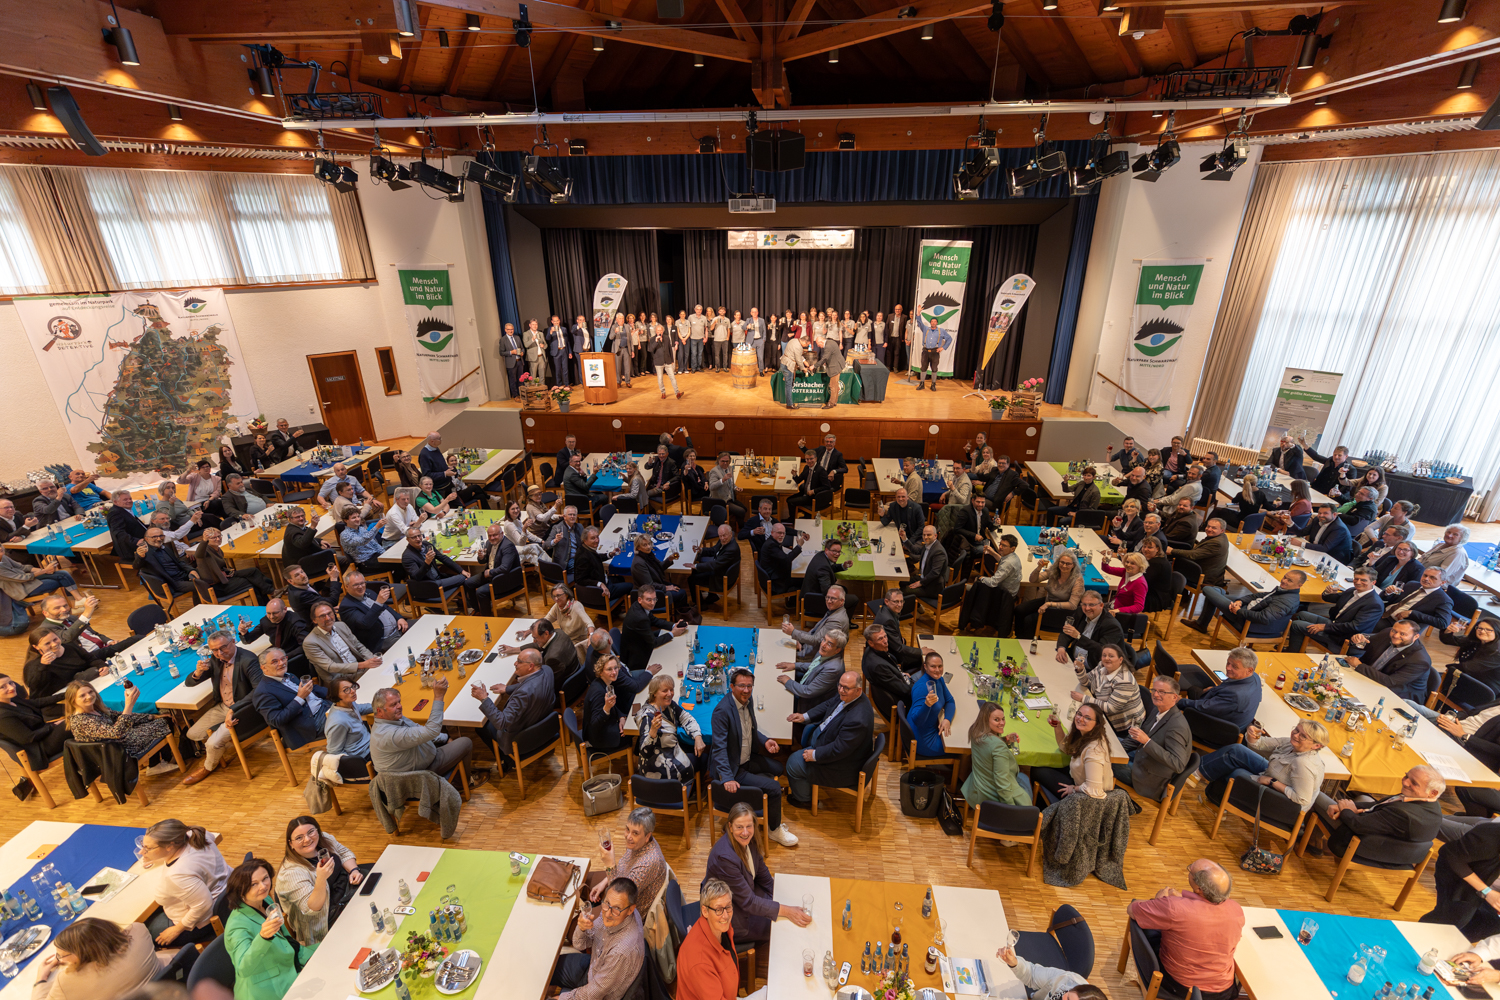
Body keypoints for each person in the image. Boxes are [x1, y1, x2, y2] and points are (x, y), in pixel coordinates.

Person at [1127, 860, 1245, 1000]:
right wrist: (1182, 900)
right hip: (1224, 992)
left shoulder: (1174, 908)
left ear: (1199, 889)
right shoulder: (1237, 910)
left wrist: (1157, 901)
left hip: (1180, 987)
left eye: (1190, 871)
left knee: (1151, 927)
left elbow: (1133, 909)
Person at [710, 668, 798, 846]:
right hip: (734, 767)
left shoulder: (746, 701)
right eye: (741, 686)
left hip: (747, 757)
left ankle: (753, 802)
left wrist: (765, 741)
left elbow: (748, 729)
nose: (746, 690)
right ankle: (773, 829)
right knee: (774, 787)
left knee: (778, 768)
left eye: (749, 686)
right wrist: (727, 777)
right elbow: (718, 748)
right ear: (732, 687)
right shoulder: (722, 711)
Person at [704, 803, 811, 944]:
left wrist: (781, 898)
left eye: (749, 826)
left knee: (782, 912)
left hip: (743, 894)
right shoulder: (725, 858)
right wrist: (788, 911)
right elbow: (748, 902)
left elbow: (763, 875)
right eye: (739, 827)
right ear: (730, 827)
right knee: (782, 928)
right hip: (729, 914)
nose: (745, 832)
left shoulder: (750, 840)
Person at [223, 857, 317, 1000]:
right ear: (240, 890)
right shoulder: (236, 927)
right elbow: (243, 968)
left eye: (265, 878)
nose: (263, 886)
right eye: (254, 884)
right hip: (268, 987)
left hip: (289, 958)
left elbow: (285, 938)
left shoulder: (264, 900)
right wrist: (263, 938)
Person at [1309, 765, 1444, 859]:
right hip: (1377, 828)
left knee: (1315, 794)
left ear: (1433, 792)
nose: (1405, 782)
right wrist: (1353, 807)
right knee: (1362, 797)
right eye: (1406, 776)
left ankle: (1313, 841)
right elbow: (1378, 804)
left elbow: (1358, 825)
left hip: (1363, 842)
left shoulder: (1403, 814)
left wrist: (1345, 810)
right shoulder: (1429, 803)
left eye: (1414, 783)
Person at [1196, 719, 1329, 814]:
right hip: (1272, 772)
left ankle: (1215, 802)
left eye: (1303, 736)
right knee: (1236, 750)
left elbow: (1302, 799)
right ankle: (1196, 773)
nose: (1295, 735)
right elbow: (1258, 744)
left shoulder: (1304, 764)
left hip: (1283, 803)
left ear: (1316, 746)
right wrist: (1252, 734)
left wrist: (1272, 782)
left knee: (1236, 773)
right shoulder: (1292, 743)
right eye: (1296, 730)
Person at [370, 681, 484, 787]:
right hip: (416, 776)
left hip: (417, 762)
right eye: (393, 704)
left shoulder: (391, 718)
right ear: (379, 711)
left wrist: (446, 738)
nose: (399, 706)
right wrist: (439, 696)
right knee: (465, 742)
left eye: (399, 702)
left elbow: (419, 729)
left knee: (442, 730)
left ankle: (461, 773)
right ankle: (462, 783)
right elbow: (431, 731)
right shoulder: (390, 735)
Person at [785, 671, 874, 806]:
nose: (841, 690)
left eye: (846, 688)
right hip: (829, 741)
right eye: (839, 685)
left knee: (792, 763)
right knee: (805, 731)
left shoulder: (857, 720)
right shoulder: (849, 696)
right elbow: (829, 704)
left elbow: (839, 749)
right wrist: (805, 716)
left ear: (858, 690)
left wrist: (815, 754)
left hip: (840, 765)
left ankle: (804, 800)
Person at [275, 815, 363, 945]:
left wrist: (354, 870)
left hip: (345, 889)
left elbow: (344, 853)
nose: (307, 839)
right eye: (299, 838)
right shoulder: (290, 874)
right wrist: (321, 878)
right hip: (324, 918)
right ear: (291, 844)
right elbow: (313, 908)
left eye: (311, 832)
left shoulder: (323, 839)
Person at [140, 819, 230, 946]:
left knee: (144, 933)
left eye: (148, 848)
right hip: (226, 897)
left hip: (204, 921)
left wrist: (177, 929)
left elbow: (203, 905)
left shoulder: (177, 874)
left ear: (170, 846)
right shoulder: (195, 835)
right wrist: (161, 857)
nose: (141, 852)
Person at [552, 877, 644, 1000]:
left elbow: (595, 992)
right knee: (549, 966)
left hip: (602, 993)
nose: (607, 914)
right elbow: (580, 944)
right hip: (595, 966)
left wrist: (562, 998)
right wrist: (582, 928)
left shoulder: (621, 951)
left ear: (631, 909)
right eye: (607, 903)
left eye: (616, 909)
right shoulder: (615, 909)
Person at [27, 917, 164, 1000]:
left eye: (62, 956)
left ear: (82, 953)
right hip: (167, 989)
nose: (61, 960)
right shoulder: (139, 930)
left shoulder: (67, 980)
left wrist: (40, 980)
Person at [61, 679, 175, 771]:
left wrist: (152, 716)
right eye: (82, 695)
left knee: (160, 719)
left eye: (90, 692)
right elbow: (116, 732)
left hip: (118, 743)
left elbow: (119, 716)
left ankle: (157, 762)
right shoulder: (81, 721)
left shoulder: (96, 709)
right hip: (117, 752)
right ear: (73, 700)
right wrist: (129, 705)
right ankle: (159, 763)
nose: (89, 696)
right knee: (163, 723)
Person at [470, 648, 554, 768]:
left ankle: (508, 760)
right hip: (545, 725)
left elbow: (501, 722)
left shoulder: (523, 694)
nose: (515, 663)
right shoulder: (547, 670)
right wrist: (507, 689)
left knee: (482, 726)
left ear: (530, 666)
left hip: (522, 739)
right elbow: (531, 684)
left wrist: (484, 698)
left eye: (519, 661)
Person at [1113, 675, 1192, 799]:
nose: (1155, 695)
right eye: (1154, 690)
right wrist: (1115, 749)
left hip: (1149, 779)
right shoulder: (1158, 709)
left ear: (1174, 697)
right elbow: (1138, 738)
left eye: (1162, 692)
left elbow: (1178, 764)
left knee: (1103, 760)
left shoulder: (1177, 727)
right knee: (1106, 744)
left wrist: (1147, 742)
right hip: (1142, 757)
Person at [1421, 820, 1500, 940]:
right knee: (1454, 917)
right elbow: (1451, 856)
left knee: (1492, 924)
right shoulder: (1489, 837)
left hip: (1484, 879)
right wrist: (1487, 892)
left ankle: (1445, 943)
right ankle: (1419, 939)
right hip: (1455, 873)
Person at [588, 806, 669, 919]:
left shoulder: (648, 863)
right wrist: (604, 882)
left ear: (647, 836)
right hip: (620, 882)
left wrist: (610, 865)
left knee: (574, 926)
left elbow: (619, 897)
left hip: (625, 913)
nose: (628, 837)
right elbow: (623, 866)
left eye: (635, 833)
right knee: (584, 880)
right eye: (627, 829)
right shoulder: (639, 843)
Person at [1286, 567, 1385, 654]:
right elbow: (1329, 598)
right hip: (1335, 625)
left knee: (1297, 624)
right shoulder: (1352, 591)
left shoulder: (1374, 604)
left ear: (1373, 582)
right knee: (1301, 614)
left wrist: (1325, 627)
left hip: (1343, 637)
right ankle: (1297, 647)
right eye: (1356, 578)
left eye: (1363, 580)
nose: (1358, 582)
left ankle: (1292, 654)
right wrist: (1328, 592)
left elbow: (1355, 627)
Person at [1184, 569, 1305, 639]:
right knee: (1213, 594)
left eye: (1289, 580)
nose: (1284, 581)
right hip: (1247, 608)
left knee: (1208, 590)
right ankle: (1202, 623)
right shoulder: (1284, 591)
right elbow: (1258, 595)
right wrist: (1240, 602)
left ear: (1299, 585)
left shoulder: (1287, 600)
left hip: (1244, 619)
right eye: (1284, 577)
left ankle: (1202, 623)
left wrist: (1238, 611)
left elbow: (1264, 618)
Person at [676, 877, 741, 1000]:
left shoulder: (721, 927)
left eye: (728, 907)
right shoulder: (699, 962)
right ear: (705, 911)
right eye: (718, 909)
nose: (725, 916)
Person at [1033, 703, 1112, 801]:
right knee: (1040, 763)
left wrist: (1073, 789)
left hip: (1086, 797)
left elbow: (1094, 790)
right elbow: (1065, 748)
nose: (1080, 719)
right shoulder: (1086, 734)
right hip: (1078, 781)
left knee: (1037, 771)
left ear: (1097, 723)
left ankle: (1046, 810)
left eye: (1087, 718)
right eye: (1079, 714)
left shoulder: (1094, 751)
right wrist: (1057, 726)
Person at [636, 674, 707, 780]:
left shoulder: (669, 705)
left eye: (671, 689)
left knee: (698, 749)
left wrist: (697, 737)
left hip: (670, 751)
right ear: (654, 693)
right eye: (665, 691)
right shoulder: (647, 717)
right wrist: (652, 732)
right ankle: (691, 791)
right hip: (660, 769)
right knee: (704, 757)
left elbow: (685, 718)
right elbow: (644, 751)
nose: (669, 694)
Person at [583, 654, 652, 758]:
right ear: (601, 672)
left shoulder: (605, 683)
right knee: (642, 727)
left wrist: (621, 717)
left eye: (616, 668)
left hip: (609, 725)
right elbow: (594, 726)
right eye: (609, 669)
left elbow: (613, 706)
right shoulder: (598, 692)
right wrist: (606, 709)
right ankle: (639, 756)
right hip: (602, 739)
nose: (614, 672)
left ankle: (638, 754)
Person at [1348, 620, 1433, 705]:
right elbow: (1367, 644)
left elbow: (1390, 682)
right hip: (1371, 680)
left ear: (1416, 636)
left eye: (1402, 634)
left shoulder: (1419, 660)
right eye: (1394, 631)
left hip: (1398, 698)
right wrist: (1357, 640)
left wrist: (1359, 666)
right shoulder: (1387, 633)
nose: (1395, 635)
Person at [1177, 646, 1262, 727]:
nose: (1228, 668)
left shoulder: (1235, 695)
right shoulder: (1255, 677)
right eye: (1228, 663)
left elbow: (1205, 707)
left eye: (1234, 667)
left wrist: (1179, 701)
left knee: (1181, 706)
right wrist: (1214, 689)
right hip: (1224, 713)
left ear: (1249, 670)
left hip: (1217, 729)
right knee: (1194, 690)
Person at [301, 601, 379, 688]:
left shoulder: (341, 625)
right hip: (339, 680)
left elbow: (358, 646)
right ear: (314, 620)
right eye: (322, 616)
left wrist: (373, 659)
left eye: (330, 613)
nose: (328, 618)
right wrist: (363, 665)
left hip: (360, 669)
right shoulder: (310, 642)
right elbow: (331, 667)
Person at [958, 533, 1023, 635]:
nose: (1000, 547)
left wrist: (980, 578)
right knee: (980, 585)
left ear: (1012, 548)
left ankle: (975, 621)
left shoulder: (1008, 563)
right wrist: (992, 553)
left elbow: (993, 582)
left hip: (1005, 596)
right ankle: (975, 621)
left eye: (1004, 546)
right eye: (1000, 544)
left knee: (979, 587)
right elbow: (1002, 561)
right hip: (1005, 590)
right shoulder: (1013, 557)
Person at [194, 526, 274, 603]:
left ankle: (270, 592)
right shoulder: (205, 551)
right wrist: (204, 541)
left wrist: (228, 571)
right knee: (252, 582)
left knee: (253, 571)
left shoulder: (217, 548)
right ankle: (267, 599)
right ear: (207, 540)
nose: (218, 539)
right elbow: (198, 555)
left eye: (219, 536)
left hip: (225, 577)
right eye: (214, 538)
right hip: (218, 587)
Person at [1015, 551, 1085, 639]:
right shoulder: (1054, 571)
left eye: (1068, 564)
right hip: (1048, 602)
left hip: (1063, 611)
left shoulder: (1077, 580)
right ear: (1058, 562)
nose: (1064, 566)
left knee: (1029, 620)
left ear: (1073, 565)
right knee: (1020, 609)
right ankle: (1020, 637)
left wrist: (1049, 604)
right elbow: (1033, 580)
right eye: (1062, 562)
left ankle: (1029, 641)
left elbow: (1072, 605)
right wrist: (1038, 568)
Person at [23, 628, 105, 698]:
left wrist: (101, 665)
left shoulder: (70, 646)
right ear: (36, 647)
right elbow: (36, 688)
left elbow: (90, 659)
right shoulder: (33, 664)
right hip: (63, 697)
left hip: (88, 685)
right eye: (47, 643)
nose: (54, 644)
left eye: (55, 639)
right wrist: (43, 666)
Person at [321, 677, 375, 779]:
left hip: (371, 744)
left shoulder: (348, 704)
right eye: (346, 690)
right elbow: (334, 752)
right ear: (336, 695)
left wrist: (380, 705)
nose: (353, 691)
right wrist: (357, 766)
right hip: (363, 757)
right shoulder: (338, 722)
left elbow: (360, 709)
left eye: (352, 687)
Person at [1055, 590, 1125, 667]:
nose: (1087, 608)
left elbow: (1103, 651)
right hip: (1072, 660)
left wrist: (1079, 637)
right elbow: (1067, 631)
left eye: (1091, 605)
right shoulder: (1080, 612)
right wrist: (1061, 648)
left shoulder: (1112, 625)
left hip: (1094, 666)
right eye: (1084, 604)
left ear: (1101, 605)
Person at [906, 651, 955, 758]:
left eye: (940, 666)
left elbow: (950, 701)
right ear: (925, 667)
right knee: (960, 745)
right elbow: (917, 721)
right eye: (933, 666)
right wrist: (926, 705)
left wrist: (947, 719)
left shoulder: (939, 679)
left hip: (932, 727)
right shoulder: (921, 688)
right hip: (924, 740)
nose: (937, 670)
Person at [1376, 565, 1453, 632]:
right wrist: (1388, 592)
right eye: (1425, 575)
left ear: (1442, 582)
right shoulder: (1412, 584)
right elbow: (1390, 599)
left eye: (1432, 578)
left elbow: (1443, 623)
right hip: (1382, 611)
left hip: (1397, 624)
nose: (1426, 579)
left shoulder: (1443, 600)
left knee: (1367, 623)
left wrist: (1413, 613)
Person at [1437, 617, 1500, 692]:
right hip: (1466, 676)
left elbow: (1469, 667)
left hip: (1484, 687)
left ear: (1497, 632)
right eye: (1480, 628)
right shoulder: (1476, 641)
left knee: (1433, 680)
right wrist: (1448, 631)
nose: (1482, 631)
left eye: (1488, 630)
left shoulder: (1497, 653)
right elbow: (1448, 640)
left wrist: (1449, 668)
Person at [903, 523, 948, 603]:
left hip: (933, 586)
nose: (925, 537)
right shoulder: (928, 545)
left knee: (905, 591)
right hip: (925, 578)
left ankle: (909, 610)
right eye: (924, 535)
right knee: (903, 582)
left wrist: (921, 583)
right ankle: (916, 607)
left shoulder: (938, 551)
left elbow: (935, 573)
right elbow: (915, 550)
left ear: (935, 536)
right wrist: (904, 538)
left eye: (928, 535)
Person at [1421, 524, 1472, 588]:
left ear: (1462, 538)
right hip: (1422, 576)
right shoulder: (1440, 545)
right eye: (1448, 532)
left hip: (1433, 586)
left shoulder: (1457, 553)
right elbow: (1422, 559)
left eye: (1455, 534)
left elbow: (1440, 576)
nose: (1449, 535)